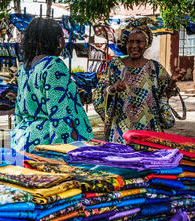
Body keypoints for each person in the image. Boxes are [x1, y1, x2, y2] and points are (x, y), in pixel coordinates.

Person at [93, 18, 186, 144]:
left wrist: (172, 82)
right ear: (126, 44)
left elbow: (163, 98)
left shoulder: (155, 68)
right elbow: (98, 94)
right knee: (121, 162)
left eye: (139, 41)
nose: (134, 46)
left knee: (147, 162)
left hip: (149, 132)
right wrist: (113, 88)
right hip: (120, 133)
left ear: (146, 44)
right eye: (131, 41)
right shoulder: (114, 66)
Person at [11, 18, 93, 153]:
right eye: (61, 37)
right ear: (56, 40)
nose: (64, 41)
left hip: (26, 142)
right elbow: (59, 114)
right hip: (48, 145)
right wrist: (59, 152)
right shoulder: (54, 65)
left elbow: (19, 113)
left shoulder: (24, 68)